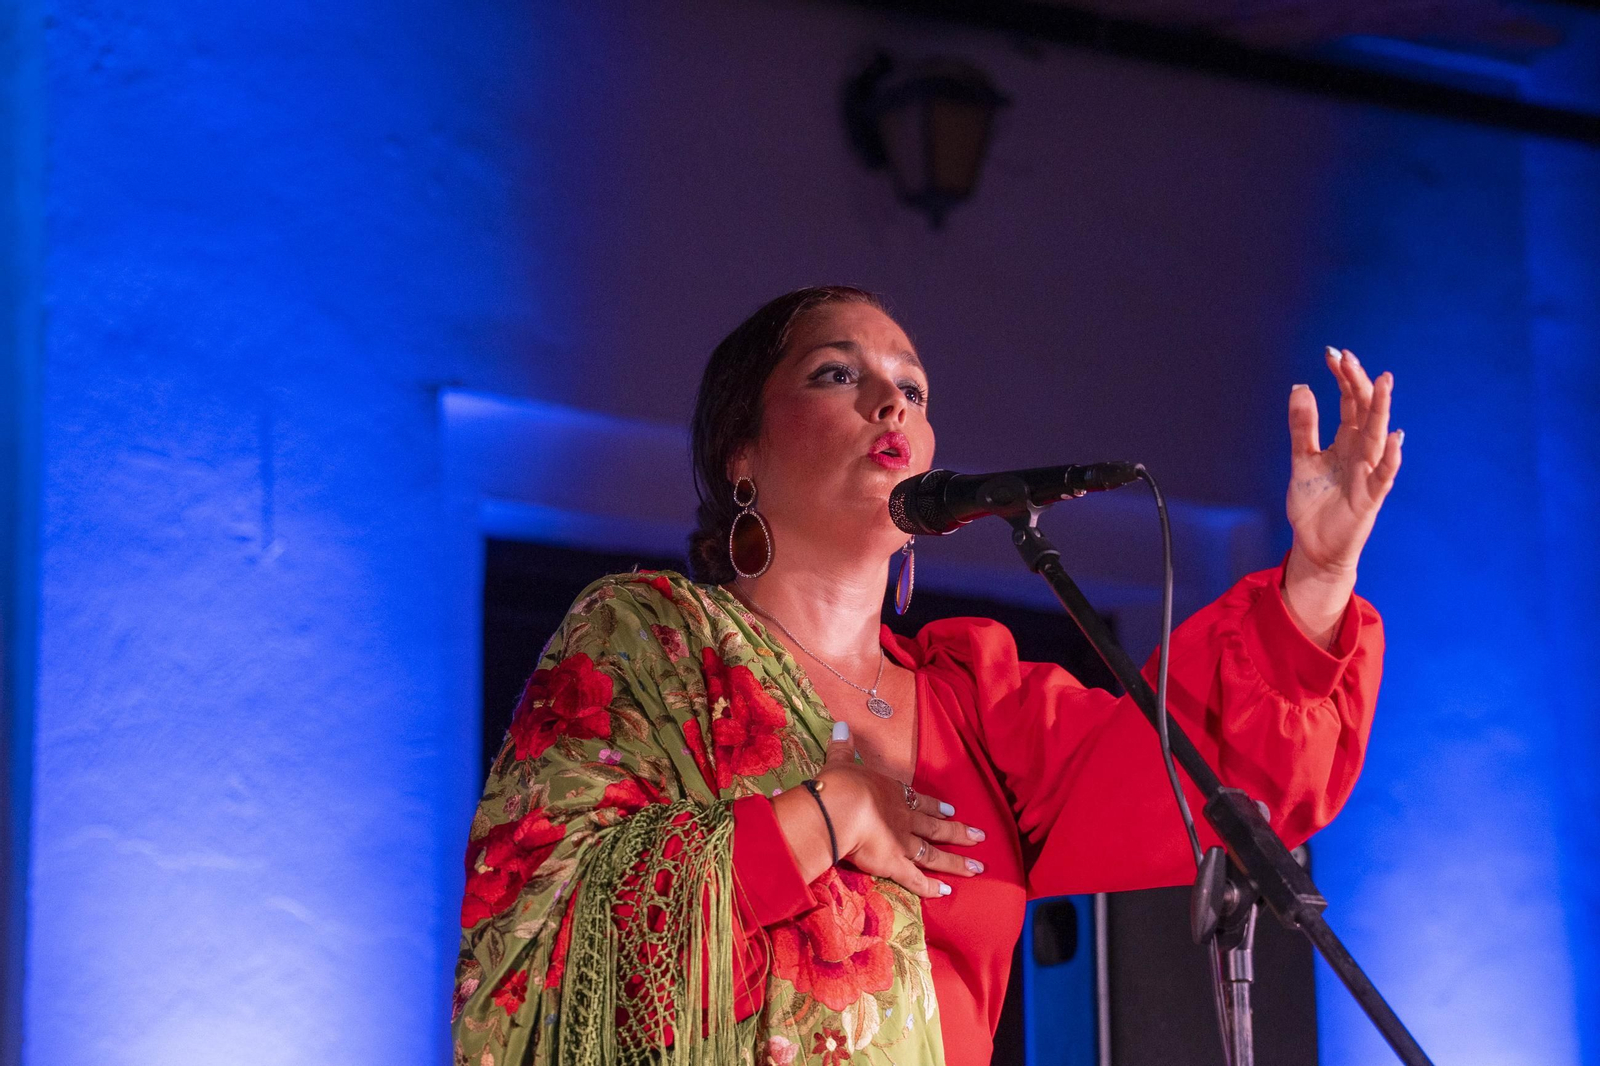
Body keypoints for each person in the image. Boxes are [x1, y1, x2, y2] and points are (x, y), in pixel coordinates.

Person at [450, 285, 1401, 1066]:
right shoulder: (645, 642)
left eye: (914, 386)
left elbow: (1195, 775)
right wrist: (827, 812)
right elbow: (541, 939)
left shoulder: (974, 702)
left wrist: (1316, 580)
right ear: (741, 449)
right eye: (838, 374)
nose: (892, 402)